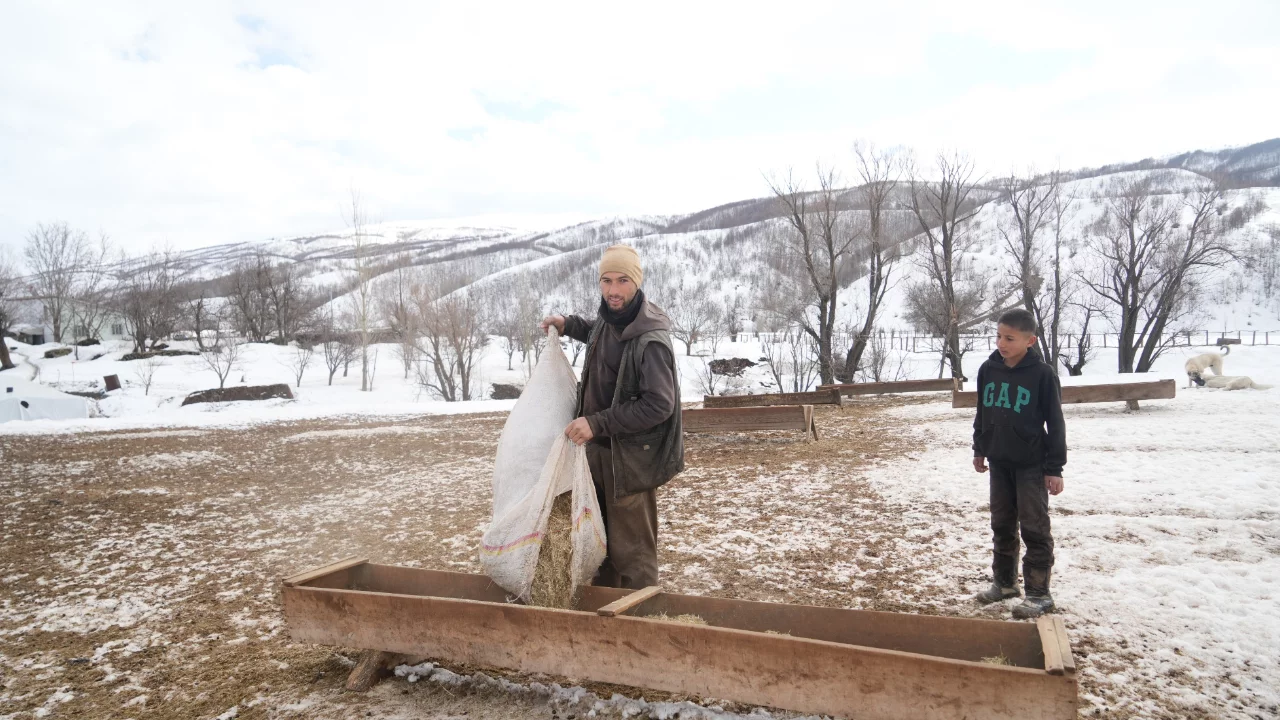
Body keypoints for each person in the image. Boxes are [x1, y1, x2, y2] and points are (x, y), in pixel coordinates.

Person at [540, 244, 683, 589]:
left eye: (622, 281)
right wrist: (569, 324)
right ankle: (606, 621)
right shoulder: (610, 317)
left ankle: (641, 620)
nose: (613, 290)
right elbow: (598, 333)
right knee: (601, 544)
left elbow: (658, 404)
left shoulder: (651, 340)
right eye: (606, 281)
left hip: (630, 461)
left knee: (632, 553)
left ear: (637, 283)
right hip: (598, 453)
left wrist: (597, 422)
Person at [971, 308, 1066, 619]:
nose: (1002, 343)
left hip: (1031, 465)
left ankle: (1039, 593)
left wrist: (1054, 468)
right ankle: (1005, 583)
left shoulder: (1042, 375)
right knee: (1001, 524)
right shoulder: (988, 369)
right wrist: (979, 447)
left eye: (1009, 338)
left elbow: (1055, 422)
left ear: (1030, 340)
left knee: (1034, 528)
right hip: (999, 461)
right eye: (999, 336)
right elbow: (982, 412)